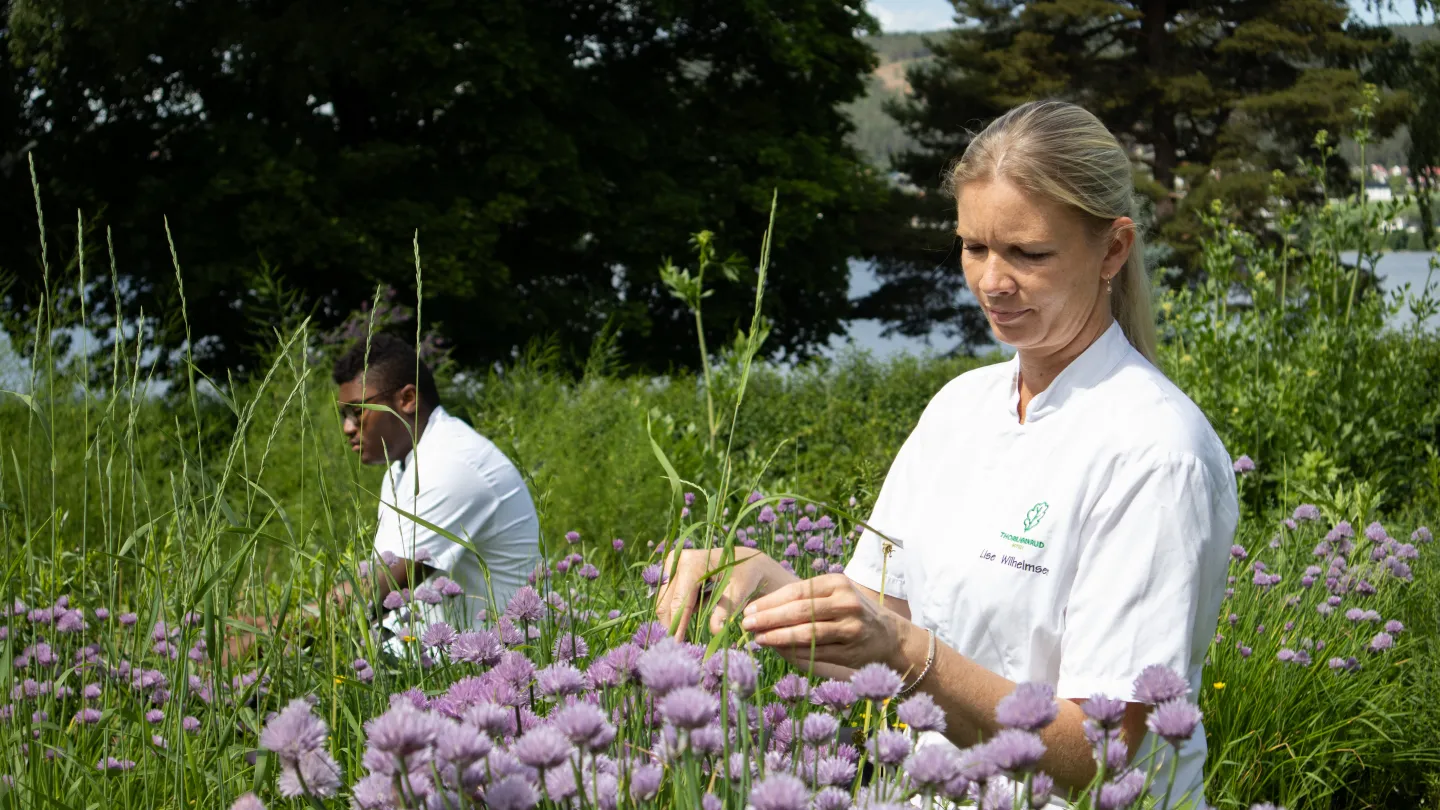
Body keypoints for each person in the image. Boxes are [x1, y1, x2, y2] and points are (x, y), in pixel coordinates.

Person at [657, 101, 1237, 807]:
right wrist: (762, 583)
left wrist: (908, 654)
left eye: (1028, 253)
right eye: (975, 247)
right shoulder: (959, 408)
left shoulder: (1155, 453)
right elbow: (873, 618)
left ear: (1113, 250)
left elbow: (1098, 751)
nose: (992, 281)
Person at [333, 333, 541, 637]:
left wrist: (274, 631)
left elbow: (381, 588)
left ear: (406, 399)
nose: (348, 428)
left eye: (357, 410)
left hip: (491, 664)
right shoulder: (403, 467)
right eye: (343, 415)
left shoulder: (453, 464)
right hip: (429, 651)